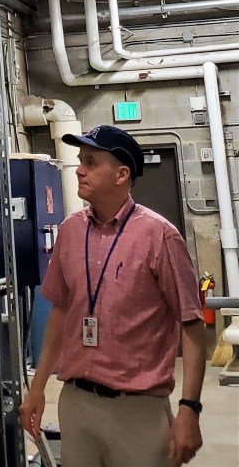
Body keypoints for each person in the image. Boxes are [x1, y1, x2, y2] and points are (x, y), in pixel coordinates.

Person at [20, 125, 207, 467]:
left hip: (138, 410)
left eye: (90, 162)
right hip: (77, 404)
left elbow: (192, 326)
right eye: (80, 160)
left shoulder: (160, 237)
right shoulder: (71, 232)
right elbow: (61, 313)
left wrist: (189, 409)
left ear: (122, 174)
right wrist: (37, 387)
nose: (78, 169)